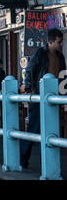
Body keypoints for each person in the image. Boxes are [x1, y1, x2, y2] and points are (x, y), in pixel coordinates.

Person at [20, 28, 66, 169]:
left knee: (51, 131)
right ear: (50, 42)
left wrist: (63, 94)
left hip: (53, 97)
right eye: (59, 42)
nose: (62, 44)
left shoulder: (60, 56)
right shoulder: (39, 53)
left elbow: (63, 74)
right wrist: (29, 90)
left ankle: (47, 165)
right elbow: (30, 71)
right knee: (34, 128)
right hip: (39, 95)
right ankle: (23, 160)